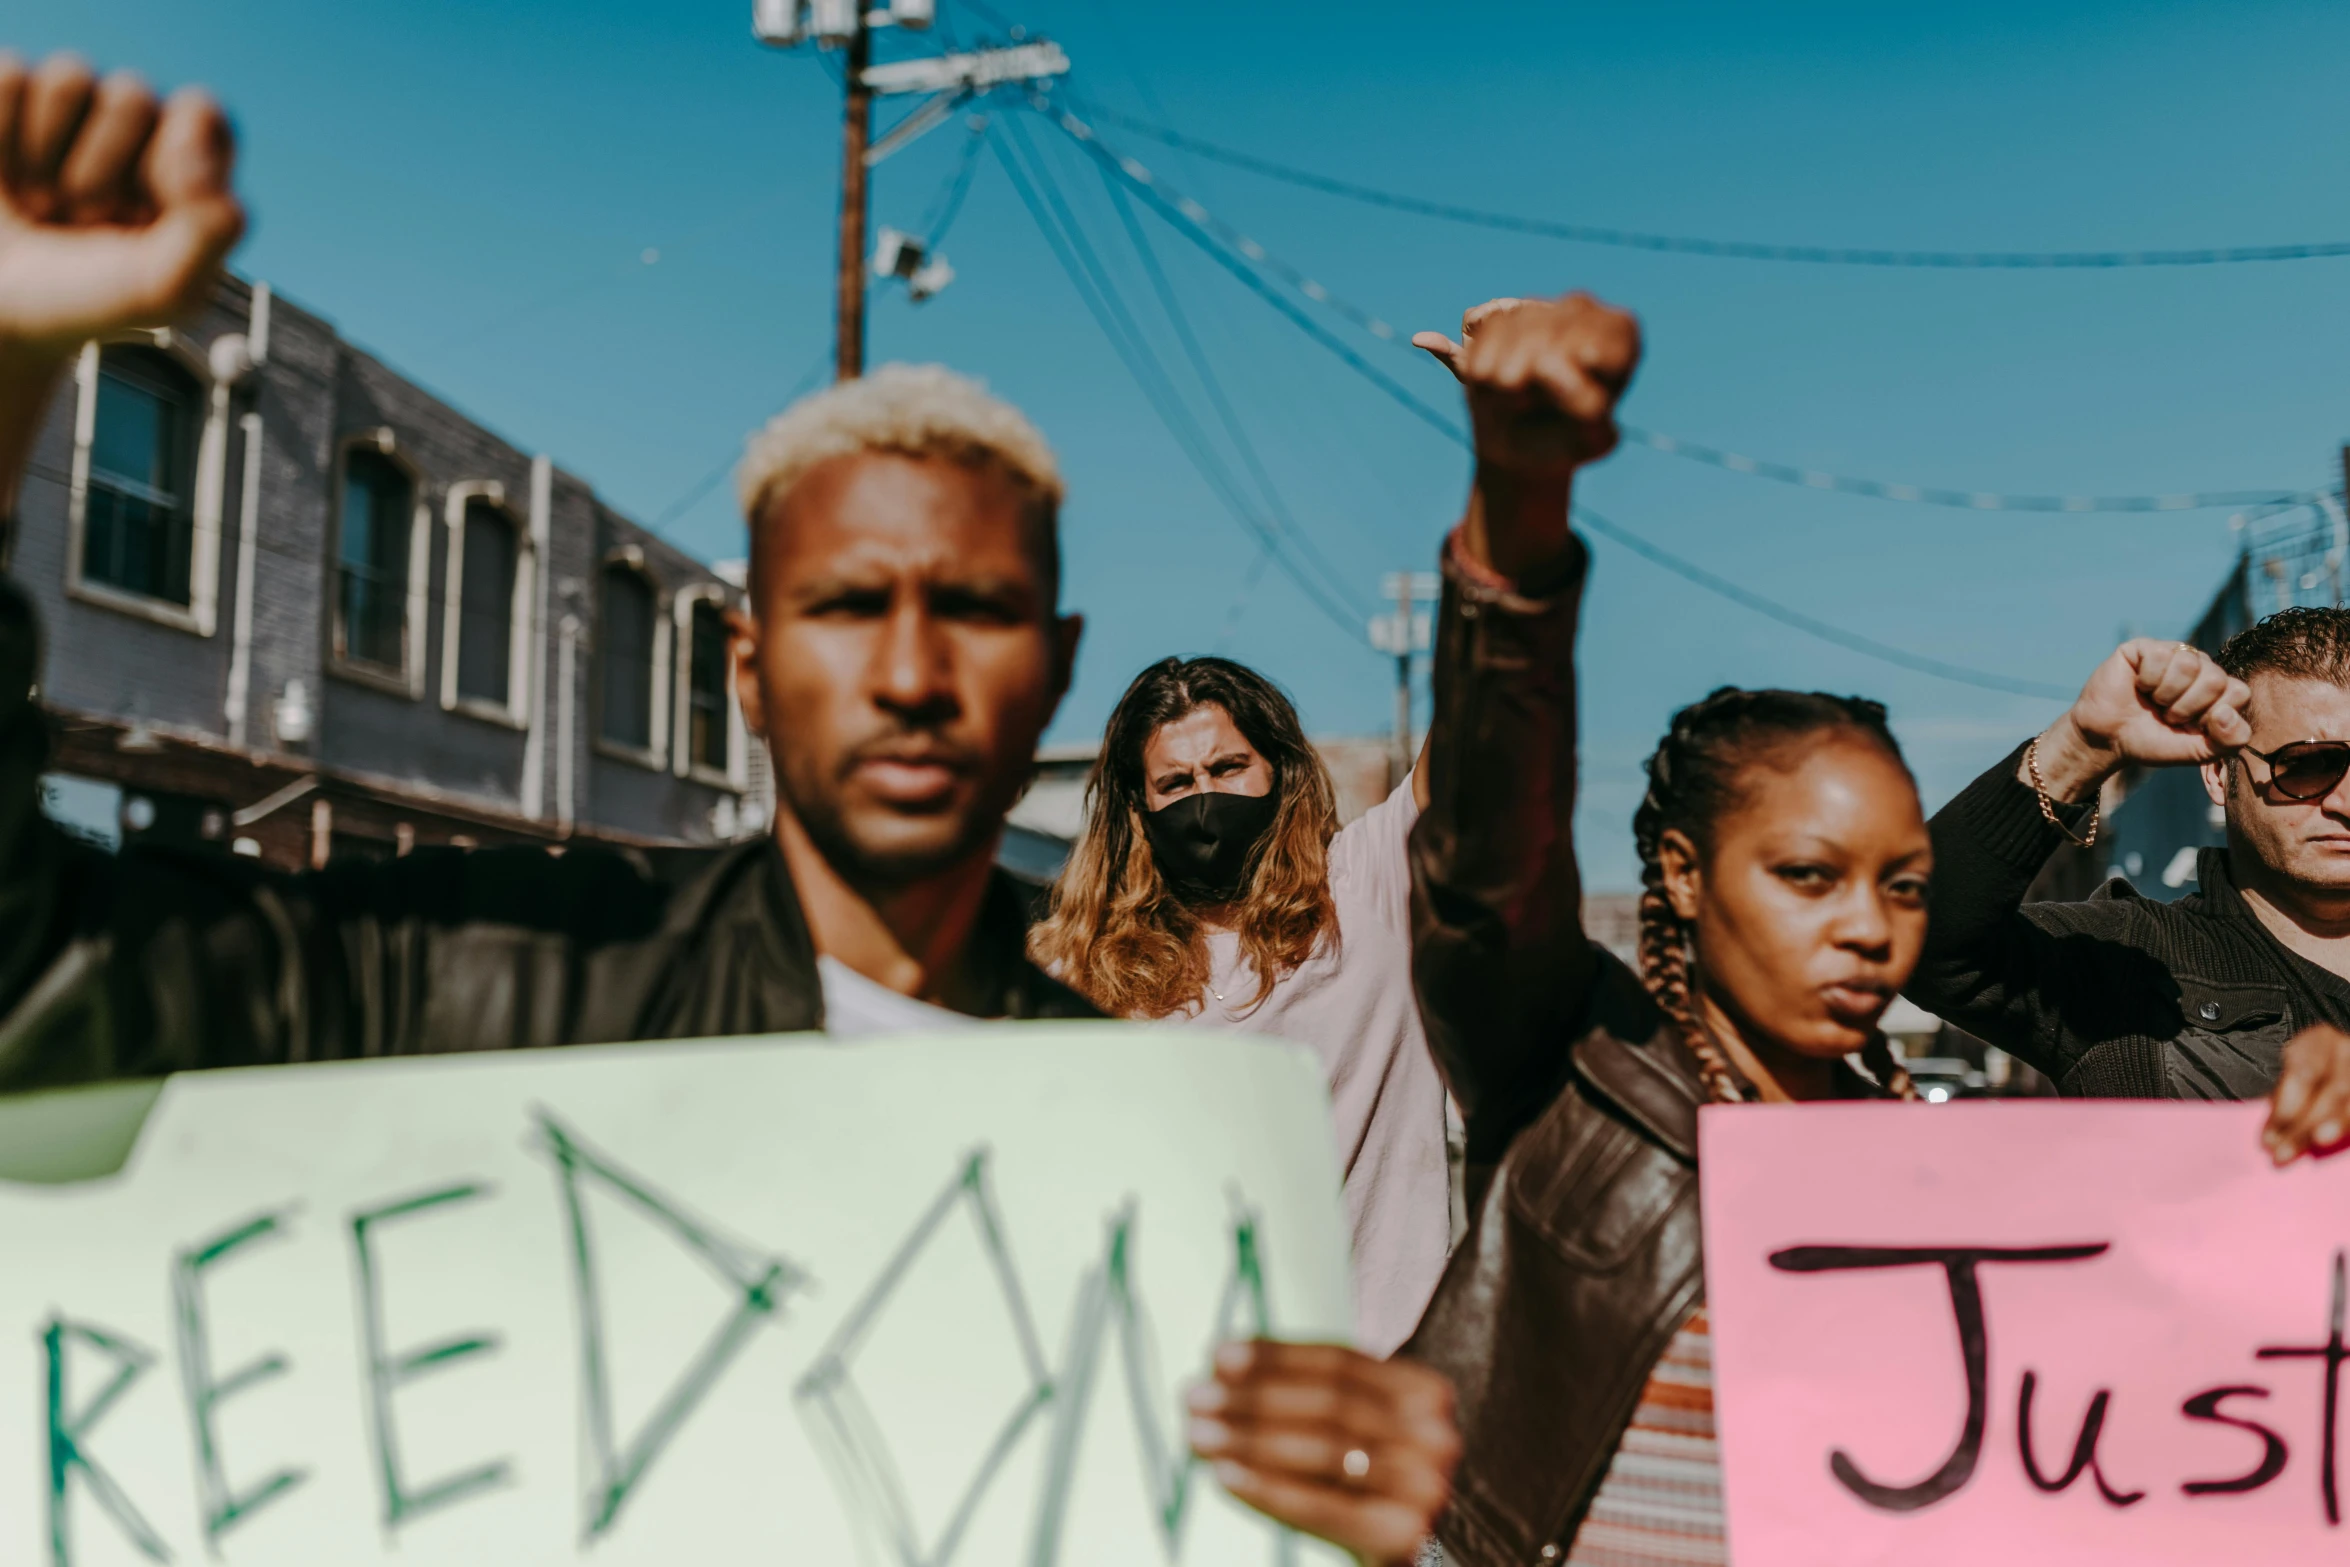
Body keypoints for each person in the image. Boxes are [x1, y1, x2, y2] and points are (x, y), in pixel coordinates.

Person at [1192, 295, 2350, 1567]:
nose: (1866, 927)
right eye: (1808, 875)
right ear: (1682, 877)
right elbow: (1485, 858)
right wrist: (1517, 518)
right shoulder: (1577, 1072)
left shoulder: (1926, 1160)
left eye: (1901, 885)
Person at [0, 52, 1095, 1082]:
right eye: (848, 608)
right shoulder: (469, 971)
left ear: (1055, 666)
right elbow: (40, 984)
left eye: (976, 610)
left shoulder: (1165, 1126)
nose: (909, 675)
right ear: (748, 670)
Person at [1031, 653, 1446, 1357]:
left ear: (1279, 772)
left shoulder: (1369, 883)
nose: (1204, 798)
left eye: (1228, 769)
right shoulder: (1087, 968)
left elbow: (1482, 725)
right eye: (1175, 781)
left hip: (1376, 1377)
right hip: (1186, 1385)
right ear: (1140, 808)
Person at [1905, 617, 2350, 1098]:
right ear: (2220, 775)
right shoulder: (2130, 968)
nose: (2345, 802)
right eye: (2309, 764)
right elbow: (1920, 942)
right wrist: (2079, 750)